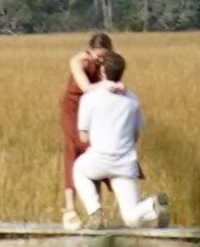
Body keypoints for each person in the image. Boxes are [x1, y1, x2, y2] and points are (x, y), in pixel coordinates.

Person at [69, 50, 170, 230]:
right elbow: (136, 135)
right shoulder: (132, 99)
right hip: (125, 163)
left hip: (98, 159)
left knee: (78, 169)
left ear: (102, 72)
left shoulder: (90, 98)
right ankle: (152, 204)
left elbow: (83, 136)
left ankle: (95, 212)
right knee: (131, 219)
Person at [59, 31, 111, 225]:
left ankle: (95, 209)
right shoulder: (78, 61)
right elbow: (86, 86)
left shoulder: (106, 64)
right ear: (90, 50)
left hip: (92, 111)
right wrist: (109, 84)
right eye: (98, 56)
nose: (101, 60)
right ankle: (70, 207)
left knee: (93, 153)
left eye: (105, 56)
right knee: (73, 150)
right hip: (73, 110)